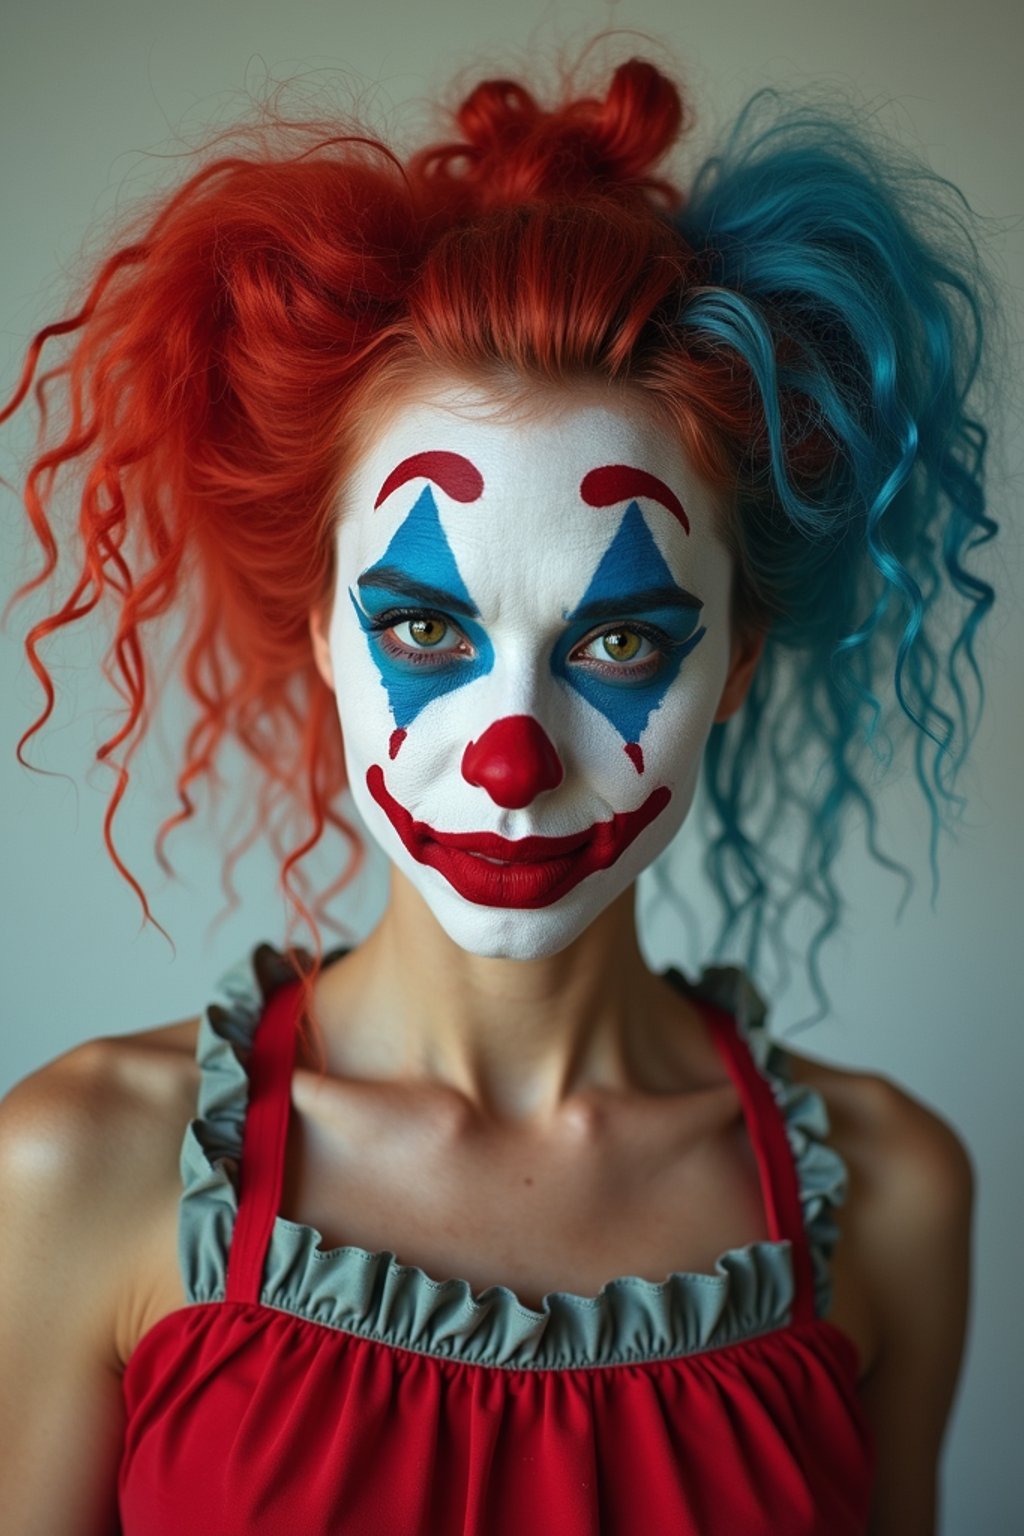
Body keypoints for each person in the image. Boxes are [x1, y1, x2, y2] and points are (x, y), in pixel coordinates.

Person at [0, 44, 1000, 1536]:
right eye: (425, 629)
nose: (510, 756)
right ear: (326, 629)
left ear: (734, 659)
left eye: (618, 637)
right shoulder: (80, 1165)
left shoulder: (897, 1196)